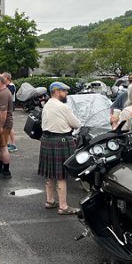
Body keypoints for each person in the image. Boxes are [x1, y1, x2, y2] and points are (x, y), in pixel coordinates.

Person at [38, 82, 81, 215]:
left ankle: (50, 200)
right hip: (60, 141)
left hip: (46, 140)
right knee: (61, 176)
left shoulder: (47, 105)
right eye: (64, 91)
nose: (66, 93)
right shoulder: (63, 107)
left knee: (50, 174)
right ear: (57, 92)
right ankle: (63, 206)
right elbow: (76, 124)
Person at [2, 72, 18, 152]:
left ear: (7, 78)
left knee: (9, 126)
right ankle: (7, 143)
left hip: (9, 107)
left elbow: (7, 94)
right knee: (5, 126)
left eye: (3, 77)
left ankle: (13, 144)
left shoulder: (11, 86)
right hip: (5, 107)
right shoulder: (6, 86)